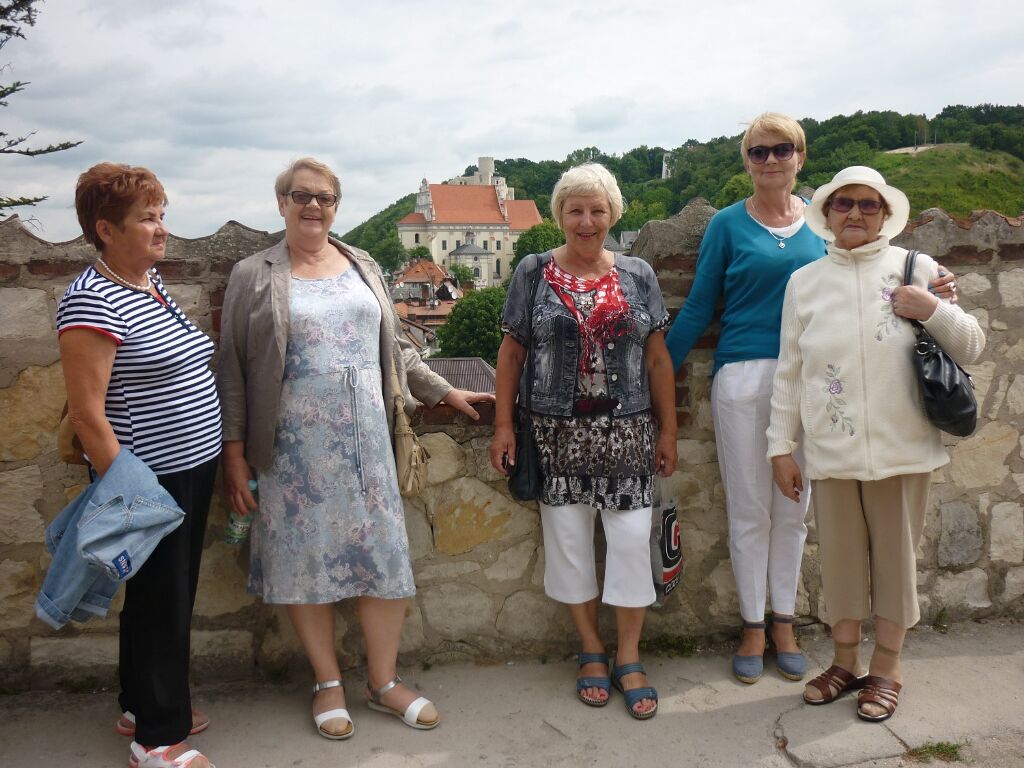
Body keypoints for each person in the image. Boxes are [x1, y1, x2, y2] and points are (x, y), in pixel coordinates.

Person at [664, 113, 957, 684]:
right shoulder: (727, 225)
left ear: (801, 157)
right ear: (746, 161)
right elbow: (698, 307)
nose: (770, 159)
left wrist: (935, 285)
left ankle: (785, 623)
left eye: (782, 149)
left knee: (794, 514)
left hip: (817, 383)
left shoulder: (824, 226)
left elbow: (875, 262)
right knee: (750, 511)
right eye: (758, 151)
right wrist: (655, 381)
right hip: (745, 376)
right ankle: (752, 625)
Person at [217, 157, 493, 740]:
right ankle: (327, 682)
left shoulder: (362, 263)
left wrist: (444, 390)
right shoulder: (253, 274)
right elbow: (234, 372)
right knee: (303, 563)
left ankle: (384, 682)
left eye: (325, 197)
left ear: (336, 206)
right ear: (282, 203)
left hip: (368, 444)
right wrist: (235, 456)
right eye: (301, 196)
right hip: (292, 452)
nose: (313, 206)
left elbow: (397, 349)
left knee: (383, 560)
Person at [767, 166, 985, 722]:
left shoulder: (918, 268)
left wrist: (931, 308)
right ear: (827, 213)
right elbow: (790, 371)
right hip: (833, 451)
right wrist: (780, 447)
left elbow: (973, 346)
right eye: (844, 204)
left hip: (902, 450)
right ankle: (844, 662)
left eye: (868, 204)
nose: (856, 213)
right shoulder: (805, 283)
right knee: (840, 564)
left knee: (894, 566)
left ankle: (887, 668)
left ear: (885, 214)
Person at [489, 163, 678, 720]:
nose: (587, 221)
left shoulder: (639, 274)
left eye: (597, 210)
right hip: (555, 434)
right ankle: (591, 648)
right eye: (576, 210)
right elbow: (512, 354)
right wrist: (503, 425)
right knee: (570, 546)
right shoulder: (533, 271)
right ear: (560, 216)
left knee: (630, 543)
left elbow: (657, 358)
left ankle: (629, 654)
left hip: (627, 432)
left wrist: (668, 430)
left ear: (613, 215)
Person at [58, 163, 221, 768]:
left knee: (162, 595)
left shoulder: (147, 283)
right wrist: (133, 492)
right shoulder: (91, 299)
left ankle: (140, 704)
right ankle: (157, 739)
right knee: (161, 602)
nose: (161, 228)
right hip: (150, 477)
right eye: (147, 218)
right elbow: (86, 413)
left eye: (161, 215)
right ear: (106, 229)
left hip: (189, 466)